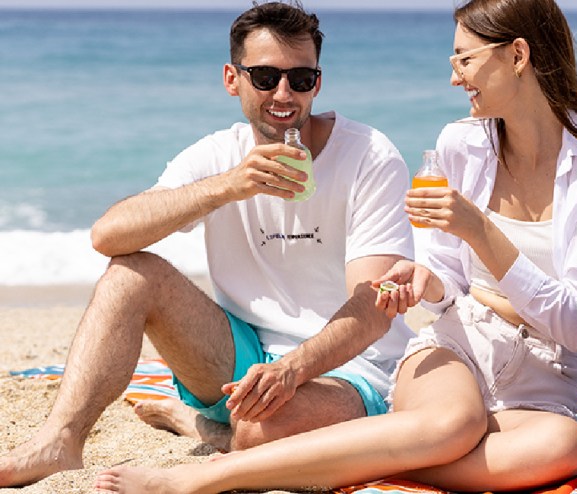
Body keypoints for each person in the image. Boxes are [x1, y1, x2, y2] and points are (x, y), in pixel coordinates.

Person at [91, 0, 577, 491]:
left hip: (545, 371)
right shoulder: (462, 143)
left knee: (563, 449)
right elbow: (448, 285)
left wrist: (482, 231)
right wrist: (423, 285)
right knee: (451, 426)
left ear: (518, 56)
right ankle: (205, 477)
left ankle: (298, 448)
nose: (455, 78)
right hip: (459, 344)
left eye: (465, 58)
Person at [0, 0, 415, 488]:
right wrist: (229, 186)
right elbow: (108, 236)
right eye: (264, 77)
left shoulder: (369, 155)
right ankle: (60, 441)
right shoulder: (220, 155)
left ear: (317, 83)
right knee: (132, 272)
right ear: (231, 79)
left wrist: (291, 368)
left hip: (349, 368)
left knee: (262, 431)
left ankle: (204, 426)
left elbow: (373, 306)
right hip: (240, 358)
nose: (284, 94)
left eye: (300, 79)